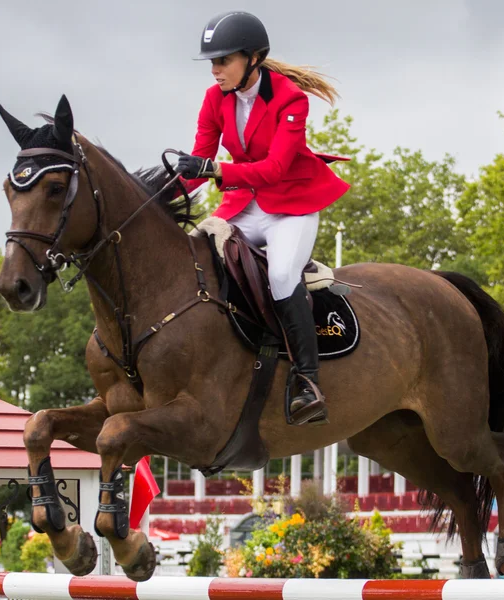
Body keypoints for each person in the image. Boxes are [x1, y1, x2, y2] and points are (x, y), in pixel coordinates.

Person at [177, 11, 350, 425]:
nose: (215, 70)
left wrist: (216, 171)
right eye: (212, 63)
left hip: (292, 206)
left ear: (252, 59)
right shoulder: (214, 98)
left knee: (280, 277)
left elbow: (274, 169)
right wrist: (161, 194)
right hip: (245, 204)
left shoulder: (291, 99)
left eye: (223, 61)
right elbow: (198, 161)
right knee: (198, 257)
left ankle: (307, 382)